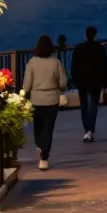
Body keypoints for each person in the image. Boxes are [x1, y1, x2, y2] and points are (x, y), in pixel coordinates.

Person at [22, 35, 68, 171]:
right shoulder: (56, 62)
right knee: (48, 128)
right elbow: (63, 83)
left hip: (36, 99)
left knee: (38, 127)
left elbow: (27, 84)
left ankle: (40, 146)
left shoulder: (32, 62)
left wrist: (24, 94)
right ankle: (44, 158)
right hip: (52, 99)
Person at [70, 26, 107, 142]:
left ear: (85, 35)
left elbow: (74, 67)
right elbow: (104, 67)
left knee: (84, 106)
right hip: (96, 81)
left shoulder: (79, 48)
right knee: (93, 106)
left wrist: (75, 80)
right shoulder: (99, 48)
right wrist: (105, 84)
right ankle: (90, 129)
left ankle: (87, 129)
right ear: (95, 35)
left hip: (82, 81)